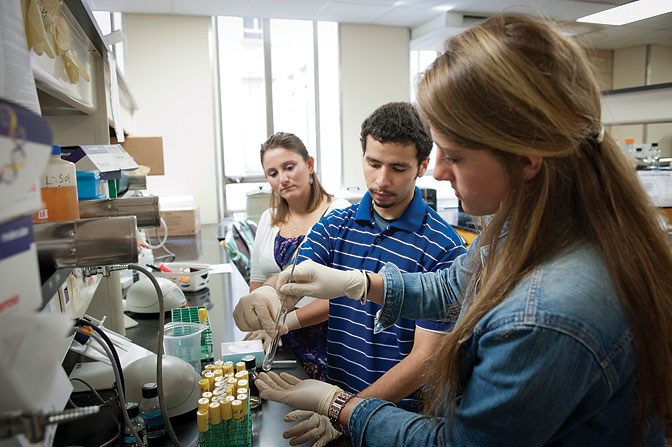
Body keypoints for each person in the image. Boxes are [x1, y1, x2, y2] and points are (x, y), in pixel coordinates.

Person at [254, 14, 672, 446]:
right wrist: (359, 283)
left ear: (527, 159)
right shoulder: (529, 228)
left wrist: (341, 407)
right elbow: (453, 287)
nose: (435, 172)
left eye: (454, 156)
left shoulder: (548, 314)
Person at [235, 102, 466, 445]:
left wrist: (345, 412)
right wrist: (268, 294)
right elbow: (298, 275)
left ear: (423, 166)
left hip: (398, 422)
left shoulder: (443, 247)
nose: (381, 180)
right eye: (373, 164)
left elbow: (424, 359)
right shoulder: (336, 223)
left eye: (398, 168)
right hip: (334, 399)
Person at [245, 131, 350, 381]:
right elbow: (258, 279)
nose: (283, 179)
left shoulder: (339, 212)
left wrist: (285, 323)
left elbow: (343, 294)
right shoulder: (268, 219)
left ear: (310, 165)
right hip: (278, 340)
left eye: (289, 167)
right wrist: (260, 322)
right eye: (273, 173)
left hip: (326, 340)